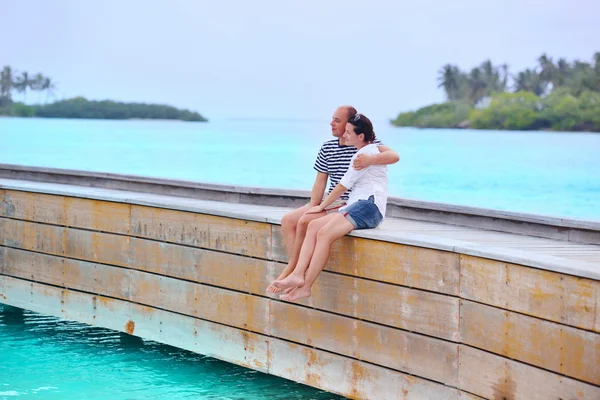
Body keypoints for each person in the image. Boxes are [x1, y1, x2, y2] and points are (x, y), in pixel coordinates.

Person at [266, 106, 398, 294]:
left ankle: (304, 281)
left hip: (366, 205)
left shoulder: (365, 153)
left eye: (347, 129)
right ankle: (296, 274)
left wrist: (321, 206)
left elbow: (343, 186)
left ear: (358, 134)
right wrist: (316, 205)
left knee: (321, 232)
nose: (343, 133)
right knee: (312, 226)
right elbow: (323, 182)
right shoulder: (352, 150)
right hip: (357, 204)